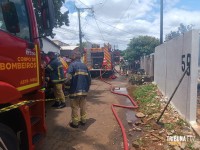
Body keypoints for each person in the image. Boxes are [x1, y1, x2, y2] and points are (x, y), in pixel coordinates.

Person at [66, 51, 91, 128]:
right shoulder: (84, 66)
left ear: (74, 56)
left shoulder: (72, 65)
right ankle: (83, 121)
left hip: (74, 91)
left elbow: (68, 78)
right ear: (80, 57)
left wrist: (67, 89)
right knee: (83, 107)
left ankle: (75, 123)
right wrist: (86, 89)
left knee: (75, 107)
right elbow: (89, 80)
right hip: (83, 92)